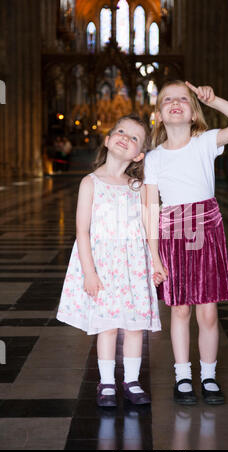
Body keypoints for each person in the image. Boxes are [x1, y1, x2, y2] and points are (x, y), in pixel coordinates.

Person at [145, 80, 228, 405]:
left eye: (183, 99)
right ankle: (182, 377)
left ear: (194, 112)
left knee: (207, 313)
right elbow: (150, 209)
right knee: (179, 310)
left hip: (206, 230)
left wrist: (215, 99)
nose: (175, 103)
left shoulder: (206, 142)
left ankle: (208, 376)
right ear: (159, 114)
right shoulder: (154, 158)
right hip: (174, 233)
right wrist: (154, 256)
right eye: (168, 100)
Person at [57, 114, 161, 407]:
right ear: (107, 138)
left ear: (139, 154)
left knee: (134, 326)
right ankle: (106, 383)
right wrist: (89, 273)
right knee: (108, 325)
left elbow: (148, 225)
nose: (125, 138)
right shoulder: (90, 182)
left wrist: (156, 261)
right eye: (121, 131)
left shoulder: (137, 187)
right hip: (103, 266)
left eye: (134, 138)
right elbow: (81, 230)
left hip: (133, 266)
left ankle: (131, 380)